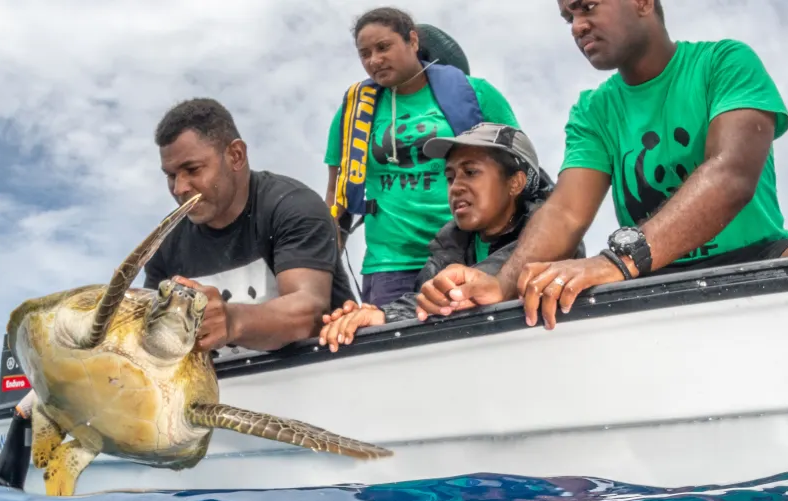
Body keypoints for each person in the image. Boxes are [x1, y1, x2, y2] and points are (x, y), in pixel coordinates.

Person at [414, 0, 788, 330]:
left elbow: (730, 174)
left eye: (587, 7)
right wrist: (501, 283)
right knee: (551, 298)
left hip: (751, 254)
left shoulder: (724, 63)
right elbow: (565, 212)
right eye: (568, 17)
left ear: (643, 2)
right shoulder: (594, 110)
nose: (577, 26)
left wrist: (619, 261)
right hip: (651, 273)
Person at [324, 7, 523, 307]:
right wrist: (322, 271)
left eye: (383, 47)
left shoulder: (477, 93)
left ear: (413, 41)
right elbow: (335, 199)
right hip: (390, 264)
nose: (374, 60)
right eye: (365, 54)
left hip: (471, 254)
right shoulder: (353, 115)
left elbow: (520, 167)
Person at [319, 123, 570, 351]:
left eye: (470, 172)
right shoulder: (450, 244)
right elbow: (426, 300)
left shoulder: (554, 240)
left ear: (515, 183)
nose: (455, 187)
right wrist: (373, 315)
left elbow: (472, 287)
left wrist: (386, 316)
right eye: (450, 177)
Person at [143, 97, 356, 355]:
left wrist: (232, 321)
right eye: (171, 175)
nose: (179, 188)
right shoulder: (165, 243)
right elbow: (149, 331)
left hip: (323, 373)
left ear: (236, 155)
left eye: (193, 169)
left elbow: (310, 311)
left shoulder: (293, 206)